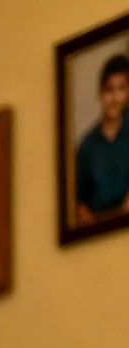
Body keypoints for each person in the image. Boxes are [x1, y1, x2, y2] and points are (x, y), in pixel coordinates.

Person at [75, 52, 129, 224]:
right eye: (109, 90)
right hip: (98, 229)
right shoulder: (86, 146)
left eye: (121, 89)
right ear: (100, 93)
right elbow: (80, 202)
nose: (115, 98)